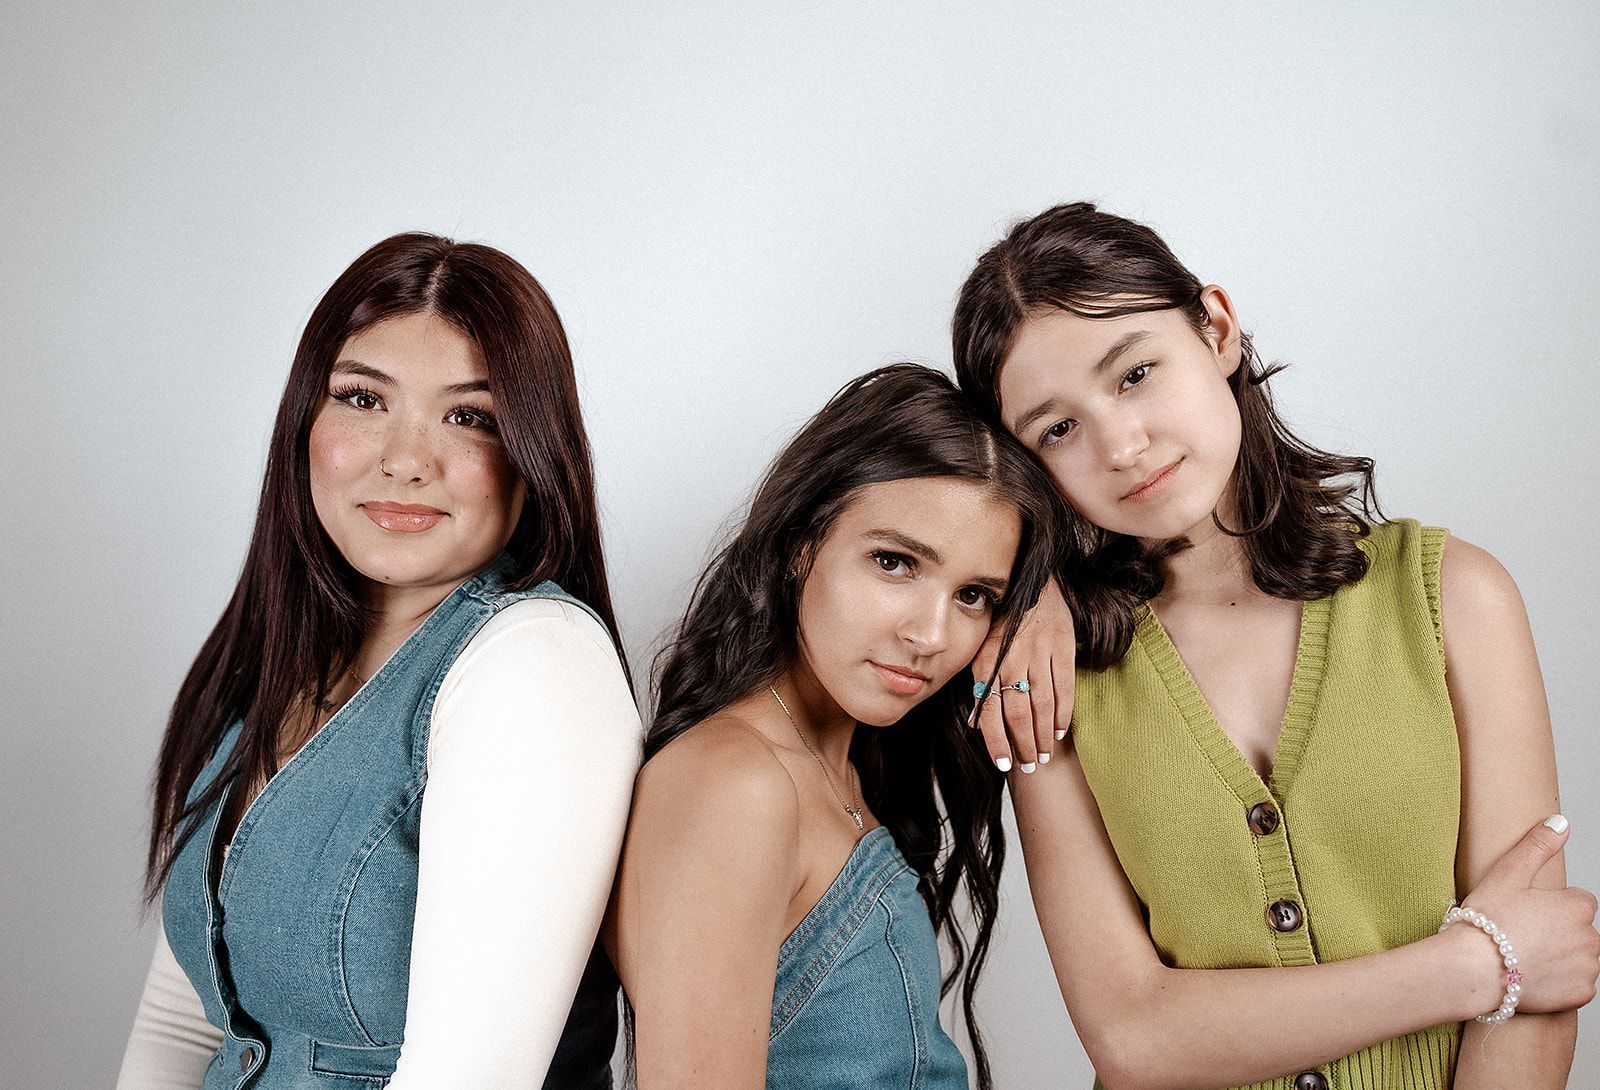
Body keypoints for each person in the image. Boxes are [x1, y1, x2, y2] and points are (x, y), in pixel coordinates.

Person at [951, 201, 1600, 1089]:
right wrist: (1475, 966)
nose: (1121, 444)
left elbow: (1541, 998)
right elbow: (1133, 1040)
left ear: (1215, 329)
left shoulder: (1452, 596)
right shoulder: (1050, 680)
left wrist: (1515, 969)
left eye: (1135, 372)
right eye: (1056, 429)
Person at [117, 233, 642, 1089]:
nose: (405, 459)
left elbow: (469, 1078)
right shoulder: (280, 660)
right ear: (306, 422)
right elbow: (184, 1023)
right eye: (363, 399)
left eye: (471, 416)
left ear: (533, 454)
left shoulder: (537, 666)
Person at [607, 364, 1063, 1089]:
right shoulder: (735, 782)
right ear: (801, 542)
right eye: (895, 562)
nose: (932, 633)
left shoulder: (844, 765)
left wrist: (1051, 600)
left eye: (975, 595)